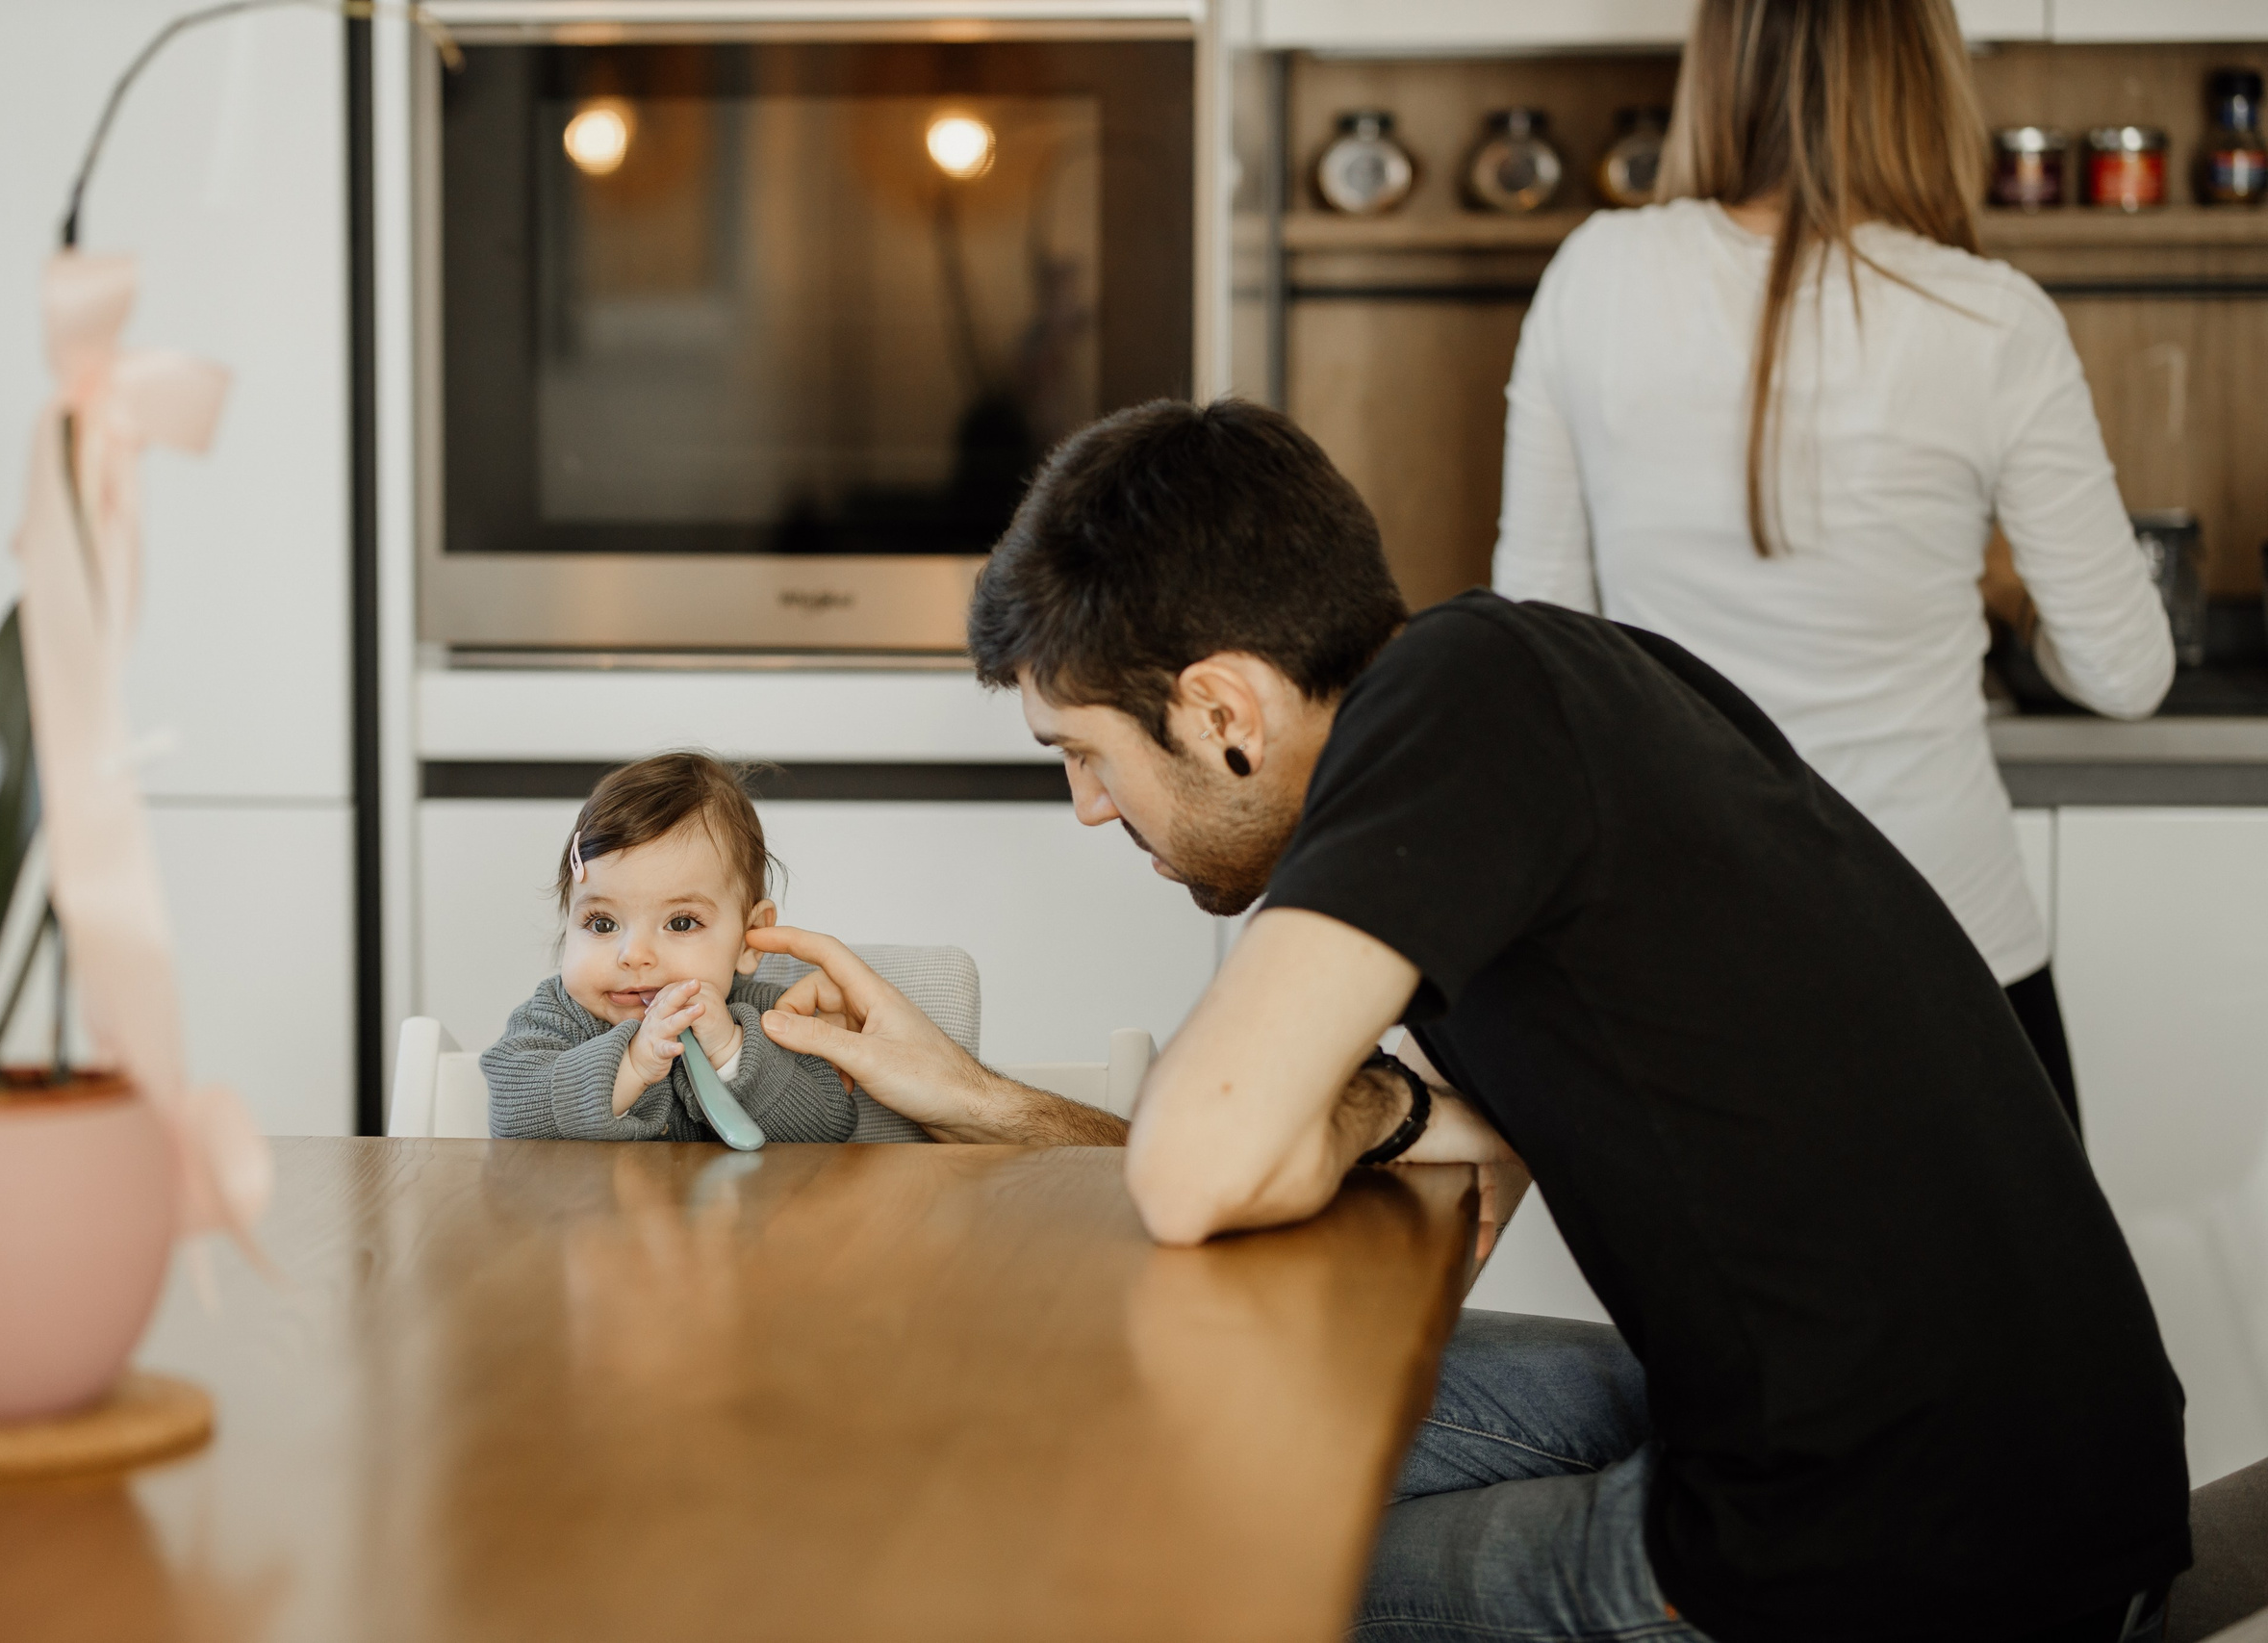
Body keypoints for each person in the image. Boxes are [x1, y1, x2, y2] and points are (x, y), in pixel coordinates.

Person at [750, 396, 2188, 1643]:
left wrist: (1378, 1106)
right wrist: (994, 1098)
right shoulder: (1541, 689)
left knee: (1134, 1567)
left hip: (1890, 1558)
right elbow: (1314, 1144)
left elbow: (1204, 1164)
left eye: (1087, 753)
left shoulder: (1456, 711)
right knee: (1114, 1405)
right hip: (1983, 1460)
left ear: (1222, 706)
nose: (1087, 806)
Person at [1490, 0, 2172, 1130]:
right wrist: (2008, 608)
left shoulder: (1595, 274)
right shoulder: (1993, 319)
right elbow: (2127, 672)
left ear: (1716, 65)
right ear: (1925, 75)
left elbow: (1535, 637)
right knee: (2012, 1308)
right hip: (1950, 942)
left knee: (1732, 1313)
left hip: (1680, 949)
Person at [483, 752, 924, 1142]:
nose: (634, 955)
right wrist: (632, 1066)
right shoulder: (556, 1017)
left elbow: (826, 1126)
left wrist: (731, 1051)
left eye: (680, 922)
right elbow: (510, 1112)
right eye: (602, 923)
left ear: (749, 939)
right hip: (597, 1229)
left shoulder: (774, 1018)